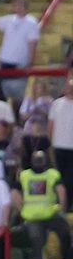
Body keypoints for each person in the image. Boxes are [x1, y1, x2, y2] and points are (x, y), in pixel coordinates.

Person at [15, 151, 70, 259]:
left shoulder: (24, 175)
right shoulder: (52, 174)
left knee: (37, 246)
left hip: (34, 216)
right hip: (49, 214)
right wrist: (62, 209)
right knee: (64, 233)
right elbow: (61, 191)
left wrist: (21, 210)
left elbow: (14, 194)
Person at [0, 0, 38, 105]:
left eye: (21, 5)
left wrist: (30, 63)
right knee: (1, 97)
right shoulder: (9, 19)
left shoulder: (31, 22)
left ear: (26, 7)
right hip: (3, 64)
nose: (18, 7)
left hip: (19, 65)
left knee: (17, 99)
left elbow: (33, 44)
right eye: (16, 5)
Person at [50, 79, 73, 212]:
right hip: (58, 146)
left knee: (70, 179)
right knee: (58, 177)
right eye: (69, 87)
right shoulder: (56, 104)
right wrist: (51, 145)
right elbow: (51, 125)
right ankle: (59, 205)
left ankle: (67, 207)